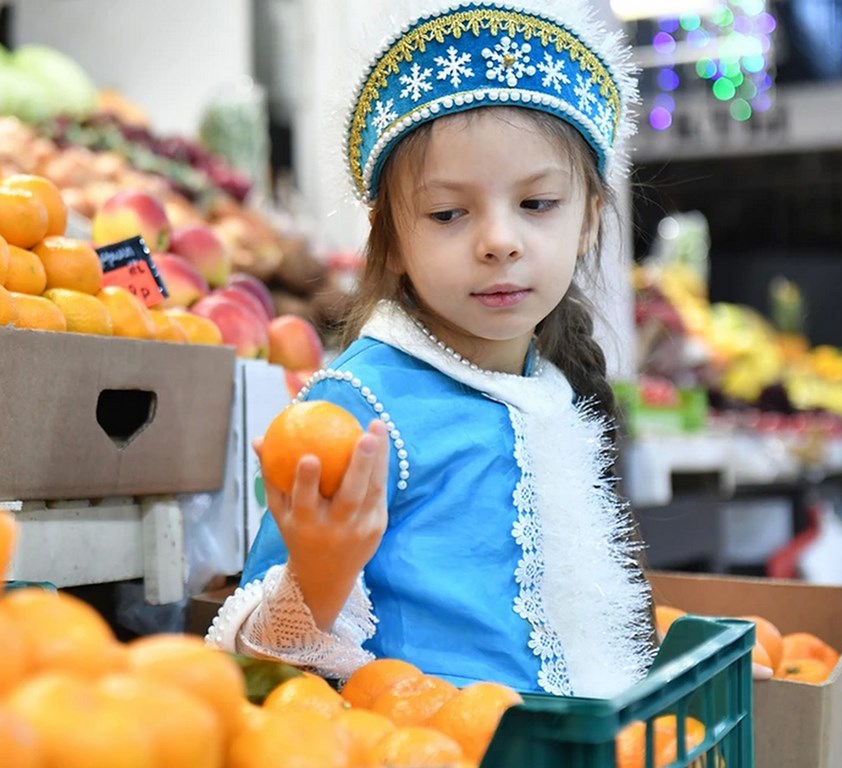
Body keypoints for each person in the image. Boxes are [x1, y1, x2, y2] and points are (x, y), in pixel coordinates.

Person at [205, 0, 666, 698]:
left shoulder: (550, 387)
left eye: (537, 204)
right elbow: (255, 673)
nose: (498, 240)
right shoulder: (358, 412)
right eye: (448, 213)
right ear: (389, 240)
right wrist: (319, 577)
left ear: (588, 219)